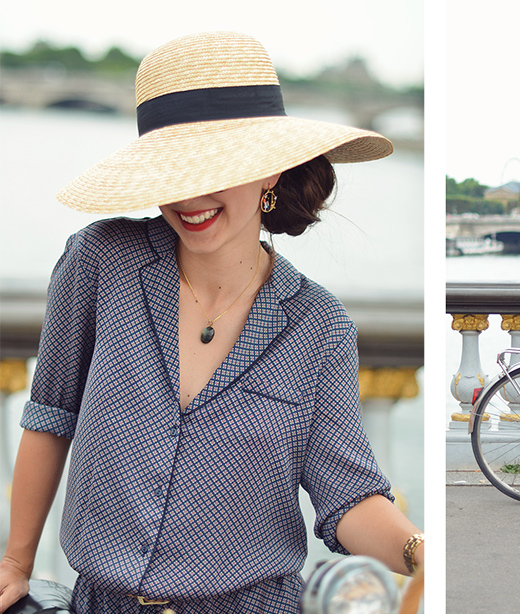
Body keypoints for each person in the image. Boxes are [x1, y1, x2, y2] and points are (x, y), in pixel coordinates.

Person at [0, 32, 423, 613]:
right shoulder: (100, 262)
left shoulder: (318, 327)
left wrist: (419, 552)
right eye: (173, 170)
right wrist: (15, 565)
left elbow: (347, 496)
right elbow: (51, 417)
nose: (190, 195)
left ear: (270, 172)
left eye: (217, 167)